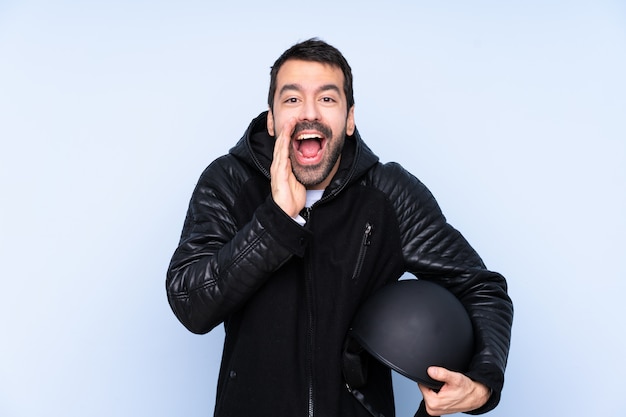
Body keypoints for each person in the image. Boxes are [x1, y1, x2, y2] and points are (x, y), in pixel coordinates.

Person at [166, 38, 513, 417]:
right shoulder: (229, 182)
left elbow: (481, 286)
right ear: (271, 118)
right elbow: (190, 304)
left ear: (349, 119)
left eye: (327, 99)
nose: (309, 113)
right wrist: (275, 221)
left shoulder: (387, 192)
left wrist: (481, 383)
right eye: (292, 99)